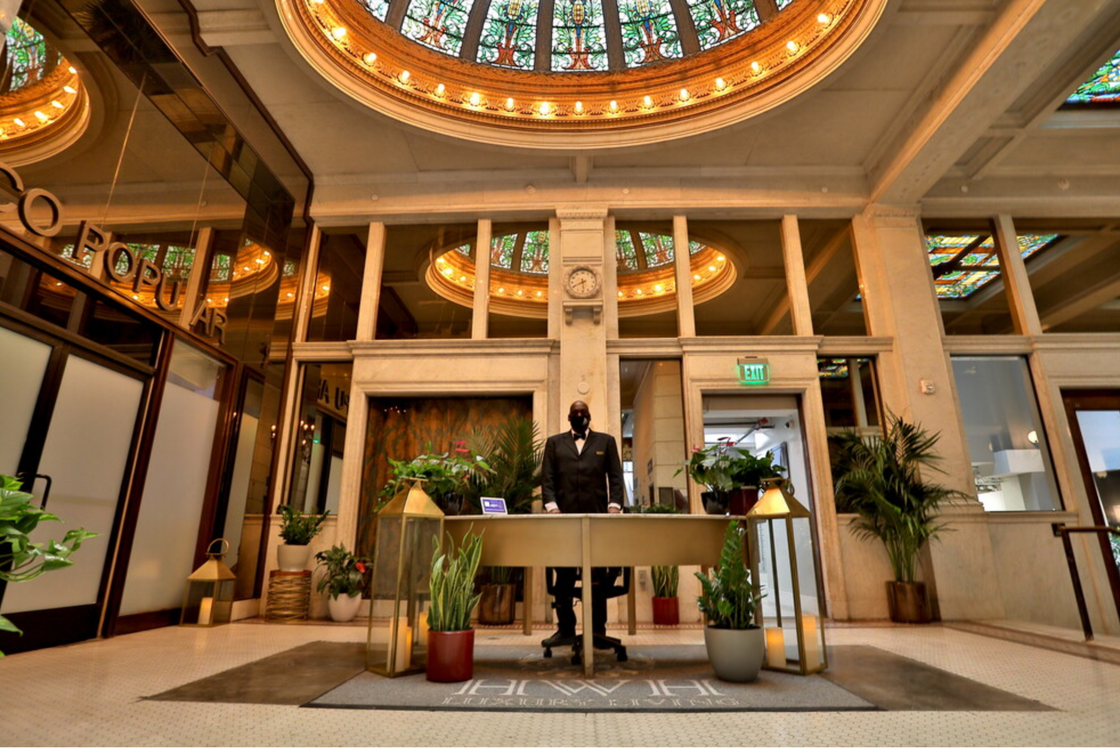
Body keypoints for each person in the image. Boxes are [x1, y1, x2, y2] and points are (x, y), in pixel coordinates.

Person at [540, 400, 625, 648]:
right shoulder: (555, 443)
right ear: (569, 418)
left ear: (589, 416)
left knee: (598, 576)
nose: (580, 416)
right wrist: (552, 507)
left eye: (583, 413)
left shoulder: (606, 441)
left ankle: (598, 630)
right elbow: (548, 479)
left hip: (597, 520)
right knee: (564, 577)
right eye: (576, 414)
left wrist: (614, 505)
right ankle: (565, 628)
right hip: (563, 521)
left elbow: (616, 477)